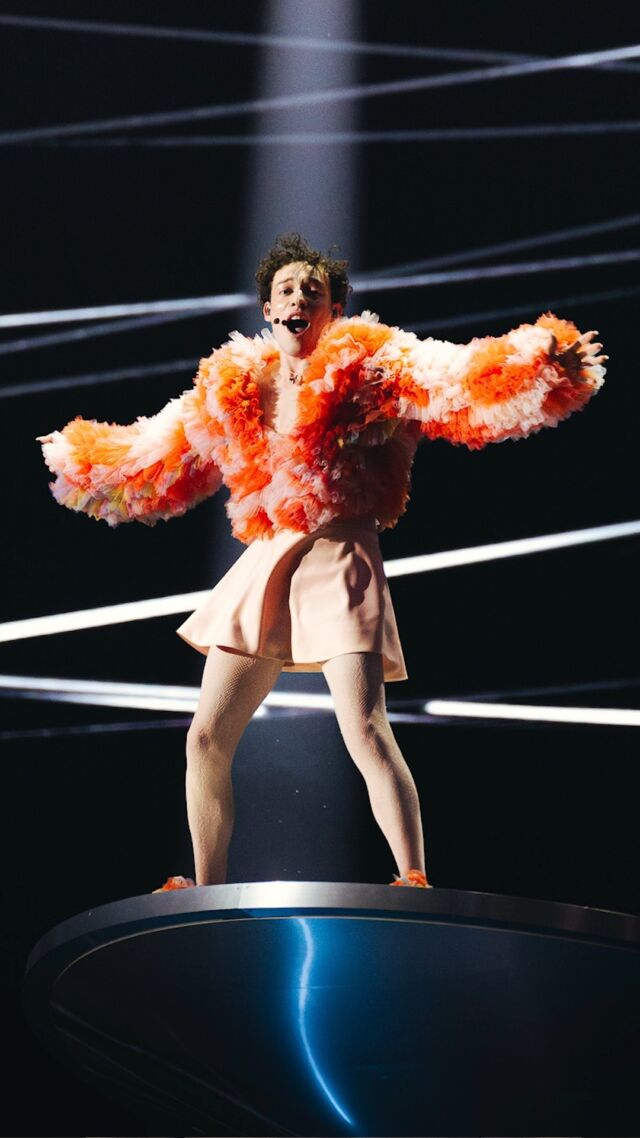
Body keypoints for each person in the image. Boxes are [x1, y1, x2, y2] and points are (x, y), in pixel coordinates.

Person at [38, 233, 607, 892]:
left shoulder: (372, 361)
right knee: (204, 738)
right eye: (287, 289)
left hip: (341, 551)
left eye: (314, 289)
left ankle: (414, 876)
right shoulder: (233, 384)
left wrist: (537, 363)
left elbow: (452, 377)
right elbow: (159, 450)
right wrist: (83, 459)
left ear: (333, 308)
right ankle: (206, 886)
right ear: (268, 310)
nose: (299, 297)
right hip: (270, 554)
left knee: (365, 727)